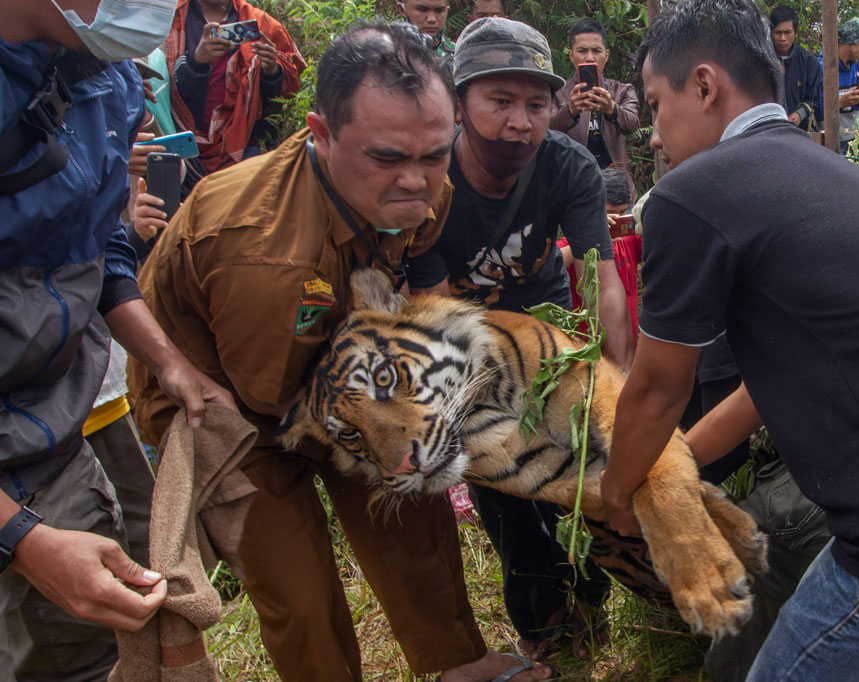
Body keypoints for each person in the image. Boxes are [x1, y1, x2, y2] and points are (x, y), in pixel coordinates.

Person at [601, 2, 859, 682]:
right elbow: (758, 394)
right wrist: (672, 466)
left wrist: (618, 495)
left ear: (705, 87)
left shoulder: (692, 192)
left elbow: (655, 386)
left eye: (654, 106)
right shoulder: (818, 169)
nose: (651, 136)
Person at [129, 21, 551, 682]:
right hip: (219, 396)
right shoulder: (261, 248)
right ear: (320, 134)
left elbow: (400, 279)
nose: (417, 181)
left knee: (410, 506)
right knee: (294, 582)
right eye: (387, 158)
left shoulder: (421, 190)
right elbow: (274, 397)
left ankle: (458, 662)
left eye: (435, 155)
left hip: (330, 356)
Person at [0, 1, 237, 680]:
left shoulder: (108, 82)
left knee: (92, 653)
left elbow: (98, 246)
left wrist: (169, 364)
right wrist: (22, 540)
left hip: (50, 441)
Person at [406, 17, 635, 660]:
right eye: (499, 101)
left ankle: (591, 608)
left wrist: (617, 385)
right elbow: (436, 307)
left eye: (537, 105)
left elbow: (603, 280)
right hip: (463, 339)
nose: (520, 122)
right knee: (508, 494)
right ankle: (543, 633)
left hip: (546, 322)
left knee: (578, 474)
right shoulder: (430, 179)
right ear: (460, 103)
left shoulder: (567, 167)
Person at [165, 0, 306, 174]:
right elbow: (155, 84)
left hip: (240, 144)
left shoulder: (261, 24)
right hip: (175, 142)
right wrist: (196, 61)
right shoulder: (169, 17)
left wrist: (272, 70)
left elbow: (287, 92)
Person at [550, 19, 642, 199]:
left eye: (596, 51)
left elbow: (632, 124)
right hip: (574, 184)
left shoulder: (622, 90)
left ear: (606, 55)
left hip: (618, 186)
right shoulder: (558, 93)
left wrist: (612, 109)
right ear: (571, 55)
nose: (589, 57)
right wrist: (570, 110)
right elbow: (546, 130)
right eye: (582, 50)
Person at [559, 167, 643, 341]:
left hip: (626, 340)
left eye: (622, 213)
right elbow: (551, 265)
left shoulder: (630, 238)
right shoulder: (578, 238)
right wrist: (591, 236)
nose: (616, 220)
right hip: (584, 344)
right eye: (609, 213)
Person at [817, 17, 859, 155]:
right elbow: (815, 110)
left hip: (853, 138)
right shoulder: (822, 67)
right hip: (829, 141)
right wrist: (840, 103)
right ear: (853, 43)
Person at [768, 5, 821, 131]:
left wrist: (800, 114)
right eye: (778, 32)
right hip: (768, 129)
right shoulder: (762, 61)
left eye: (787, 32)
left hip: (800, 130)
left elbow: (815, 99)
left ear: (795, 33)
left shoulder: (809, 62)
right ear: (770, 32)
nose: (782, 38)